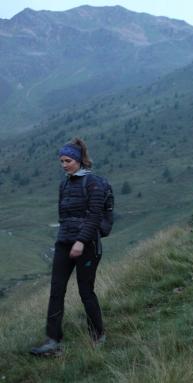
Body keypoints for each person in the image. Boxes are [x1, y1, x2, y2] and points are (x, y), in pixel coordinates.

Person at [31, 138, 106, 356]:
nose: (64, 165)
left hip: (88, 245)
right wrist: (65, 240)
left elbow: (94, 217)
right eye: (62, 161)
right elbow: (63, 216)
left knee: (86, 291)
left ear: (79, 160)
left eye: (68, 160)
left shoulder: (94, 183)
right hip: (64, 243)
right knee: (56, 290)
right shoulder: (64, 184)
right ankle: (53, 340)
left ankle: (98, 335)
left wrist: (81, 241)